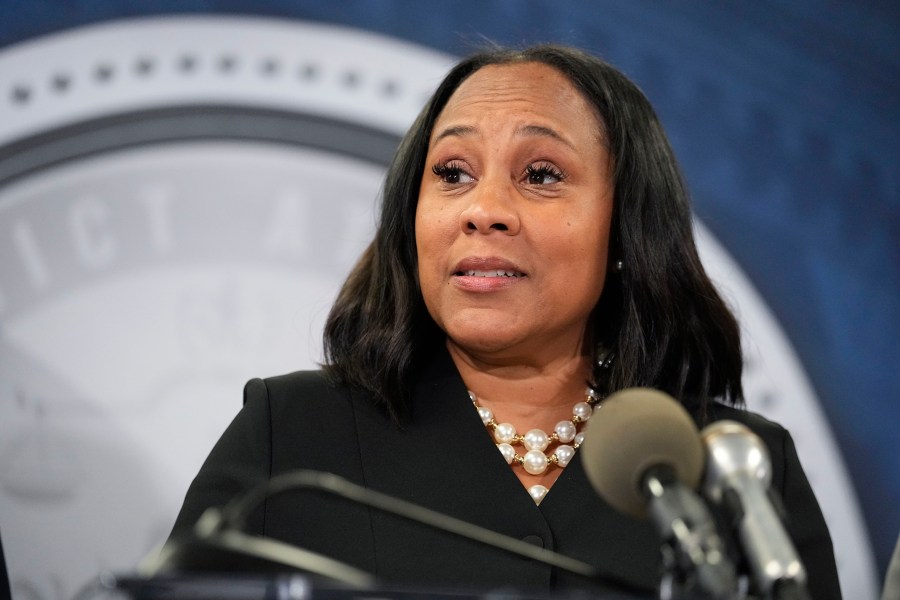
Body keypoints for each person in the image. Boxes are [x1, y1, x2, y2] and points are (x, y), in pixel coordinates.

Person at [167, 44, 840, 598]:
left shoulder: (736, 469)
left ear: (627, 229)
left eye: (542, 174)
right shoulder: (291, 436)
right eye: (453, 173)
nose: (482, 209)